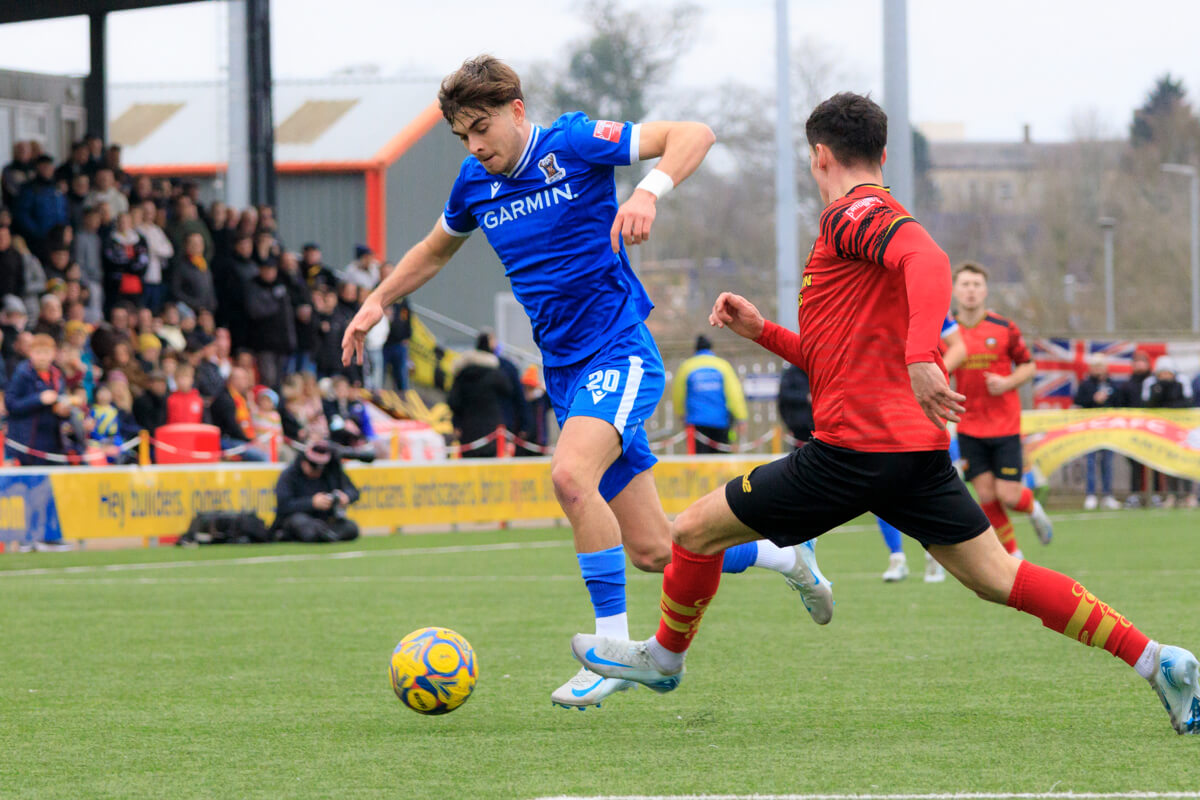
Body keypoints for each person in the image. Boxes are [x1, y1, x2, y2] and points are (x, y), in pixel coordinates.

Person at [569, 91, 1200, 737]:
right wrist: (763, 332)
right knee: (999, 577)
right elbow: (833, 359)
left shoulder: (855, 212)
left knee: (692, 533)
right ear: (884, 151)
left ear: (818, 155)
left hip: (852, 454)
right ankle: (1157, 659)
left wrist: (924, 352)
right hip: (913, 456)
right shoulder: (862, 227)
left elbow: (927, 257)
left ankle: (666, 658)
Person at [341, 55, 832, 710]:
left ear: (517, 111)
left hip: (619, 353)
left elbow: (694, 134)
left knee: (570, 476)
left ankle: (611, 653)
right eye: (463, 136)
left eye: (482, 127)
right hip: (566, 375)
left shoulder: (572, 143)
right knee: (659, 550)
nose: (475, 145)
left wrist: (648, 189)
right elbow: (435, 249)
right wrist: (379, 300)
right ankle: (781, 553)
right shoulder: (472, 184)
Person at [951, 261, 1052, 559]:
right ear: (955, 290)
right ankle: (1013, 556)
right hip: (969, 425)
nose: (970, 291)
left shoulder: (1003, 327)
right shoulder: (946, 331)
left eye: (976, 285)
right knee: (985, 495)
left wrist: (1008, 382)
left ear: (985, 290)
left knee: (1008, 495)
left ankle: (1033, 508)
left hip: (1004, 424)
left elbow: (1029, 365)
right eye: (965, 285)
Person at [878, 311, 966, 583]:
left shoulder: (924, 296)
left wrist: (933, 375)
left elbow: (960, 346)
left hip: (925, 404)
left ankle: (936, 554)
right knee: (880, 483)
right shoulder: (869, 295)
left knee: (930, 480)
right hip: (885, 402)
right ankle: (897, 557)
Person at [272, 440, 360, 543]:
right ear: (304, 462)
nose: (318, 471)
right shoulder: (289, 475)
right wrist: (312, 503)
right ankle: (321, 534)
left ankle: (326, 535)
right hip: (298, 519)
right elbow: (284, 505)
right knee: (299, 522)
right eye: (313, 467)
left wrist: (346, 497)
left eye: (321, 467)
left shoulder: (330, 471)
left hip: (325, 520)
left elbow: (354, 491)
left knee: (351, 527)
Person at [672, 334, 747, 454]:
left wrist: (681, 414)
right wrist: (741, 418)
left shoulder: (686, 367)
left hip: (696, 423)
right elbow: (734, 394)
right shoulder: (722, 365)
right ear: (711, 348)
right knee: (721, 461)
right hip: (720, 421)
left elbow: (678, 394)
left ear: (695, 349)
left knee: (699, 462)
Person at [446, 337, 513, 457]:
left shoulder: (462, 374)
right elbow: (509, 391)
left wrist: (456, 423)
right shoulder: (496, 374)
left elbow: (453, 402)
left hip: (467, 430)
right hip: (491, 430)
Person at [1142, 356, 1195, 508]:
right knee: (1169, 462)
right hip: (1163, 431)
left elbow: (1187, 403)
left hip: (1182, 430)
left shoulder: (1180, 383)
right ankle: (1172, 494)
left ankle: (1188, 495)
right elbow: (1148, 404)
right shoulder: (1152, 384)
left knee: (1184, 461)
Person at [1073, 354, 1121, 510]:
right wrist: (1094, 400)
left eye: (1101, 366)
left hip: (1108, 430)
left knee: (1107, 462)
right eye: (1095, 366)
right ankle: (1091, 495)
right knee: (1090, 463)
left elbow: (1119, 404)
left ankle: (1108, 495)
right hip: (1090, 430)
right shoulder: (1086, 385)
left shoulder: (1112, 384)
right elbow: (1078, 403)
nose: (1099, 369)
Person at [209, 366, 267, 461]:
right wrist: (250, 441)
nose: (247, 382)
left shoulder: (241, 398)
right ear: (234, 380)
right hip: (227, 440)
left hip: (239, 438)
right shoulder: (226, 399)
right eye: (244, 379)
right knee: (262, 456)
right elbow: (232, 427)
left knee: (267, 450)